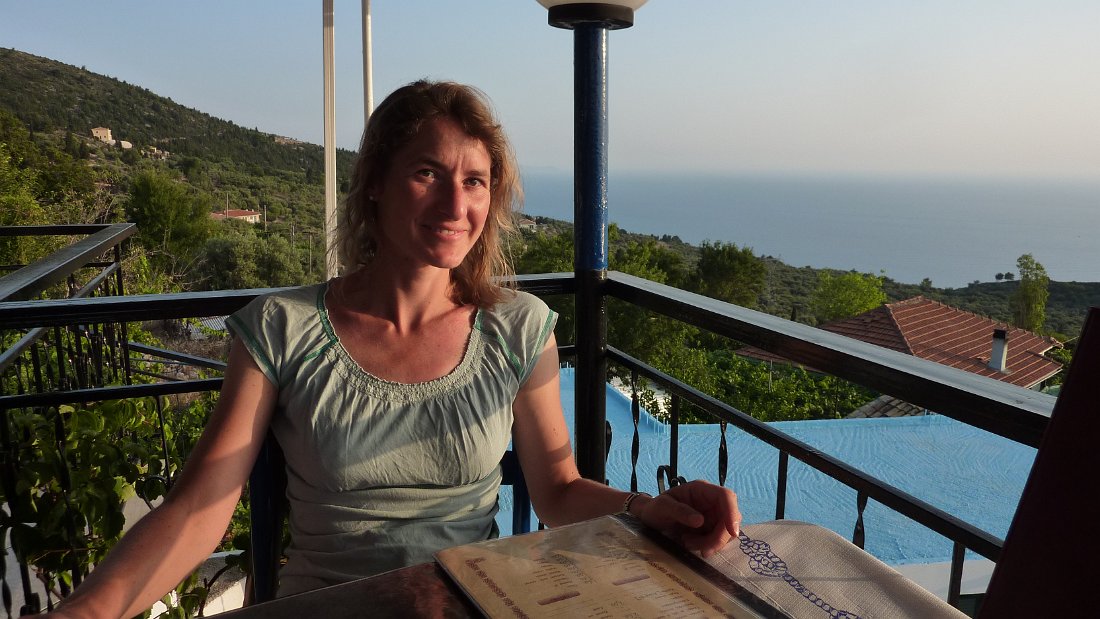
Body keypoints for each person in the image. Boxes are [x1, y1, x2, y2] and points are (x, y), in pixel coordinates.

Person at [48, 80, 740, 618]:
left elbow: (558, 491)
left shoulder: (518, 328)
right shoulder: (283, 329)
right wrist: (90, 609)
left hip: (470, 602)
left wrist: (647, 509)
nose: (455, 204)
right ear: (375, 182)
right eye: (427, 173)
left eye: (475, 181)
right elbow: (199, 510)